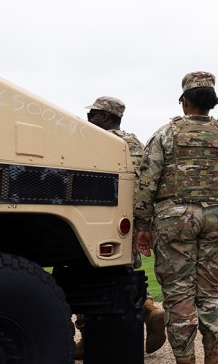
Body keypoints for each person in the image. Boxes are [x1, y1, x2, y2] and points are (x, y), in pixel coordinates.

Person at [134, 72, 218, 364]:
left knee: (178, 295)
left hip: (173, 220)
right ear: (211, 103)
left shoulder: (165, 134)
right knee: (210, 292)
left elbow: (146, 183)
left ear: (185, 101)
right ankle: (213, 357)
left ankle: (185, 359)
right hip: (216, 218)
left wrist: (142, 226)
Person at [74, 97, 166, 359]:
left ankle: (88, 338)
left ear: (105, 117)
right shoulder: (135, 143)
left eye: (93, 113)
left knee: (85, 277)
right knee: (125, 277)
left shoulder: (93, 141)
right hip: (129, 222)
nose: (88, 118)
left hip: (96, 219)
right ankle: (148, 310)